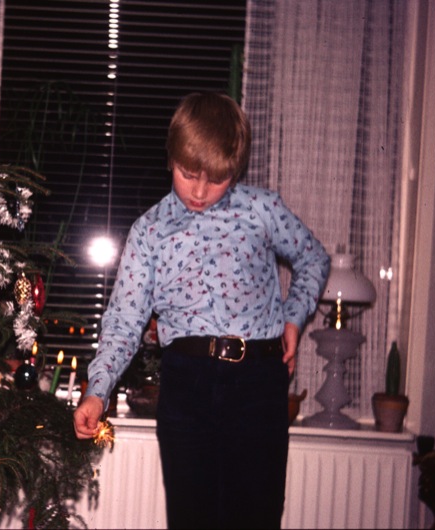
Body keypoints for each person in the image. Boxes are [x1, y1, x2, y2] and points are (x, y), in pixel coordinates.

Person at [73, 92, 330, 529]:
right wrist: (97, 390)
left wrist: (294, 317)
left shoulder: (262, 210)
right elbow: (124, 321)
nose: (198, 191)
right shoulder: (149, 231)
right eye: (188, 174)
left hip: (257, 386)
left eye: (215, 179)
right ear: (171, 158)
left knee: (255, 516)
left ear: (235, 169)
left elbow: (313, 259)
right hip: (187, 387)